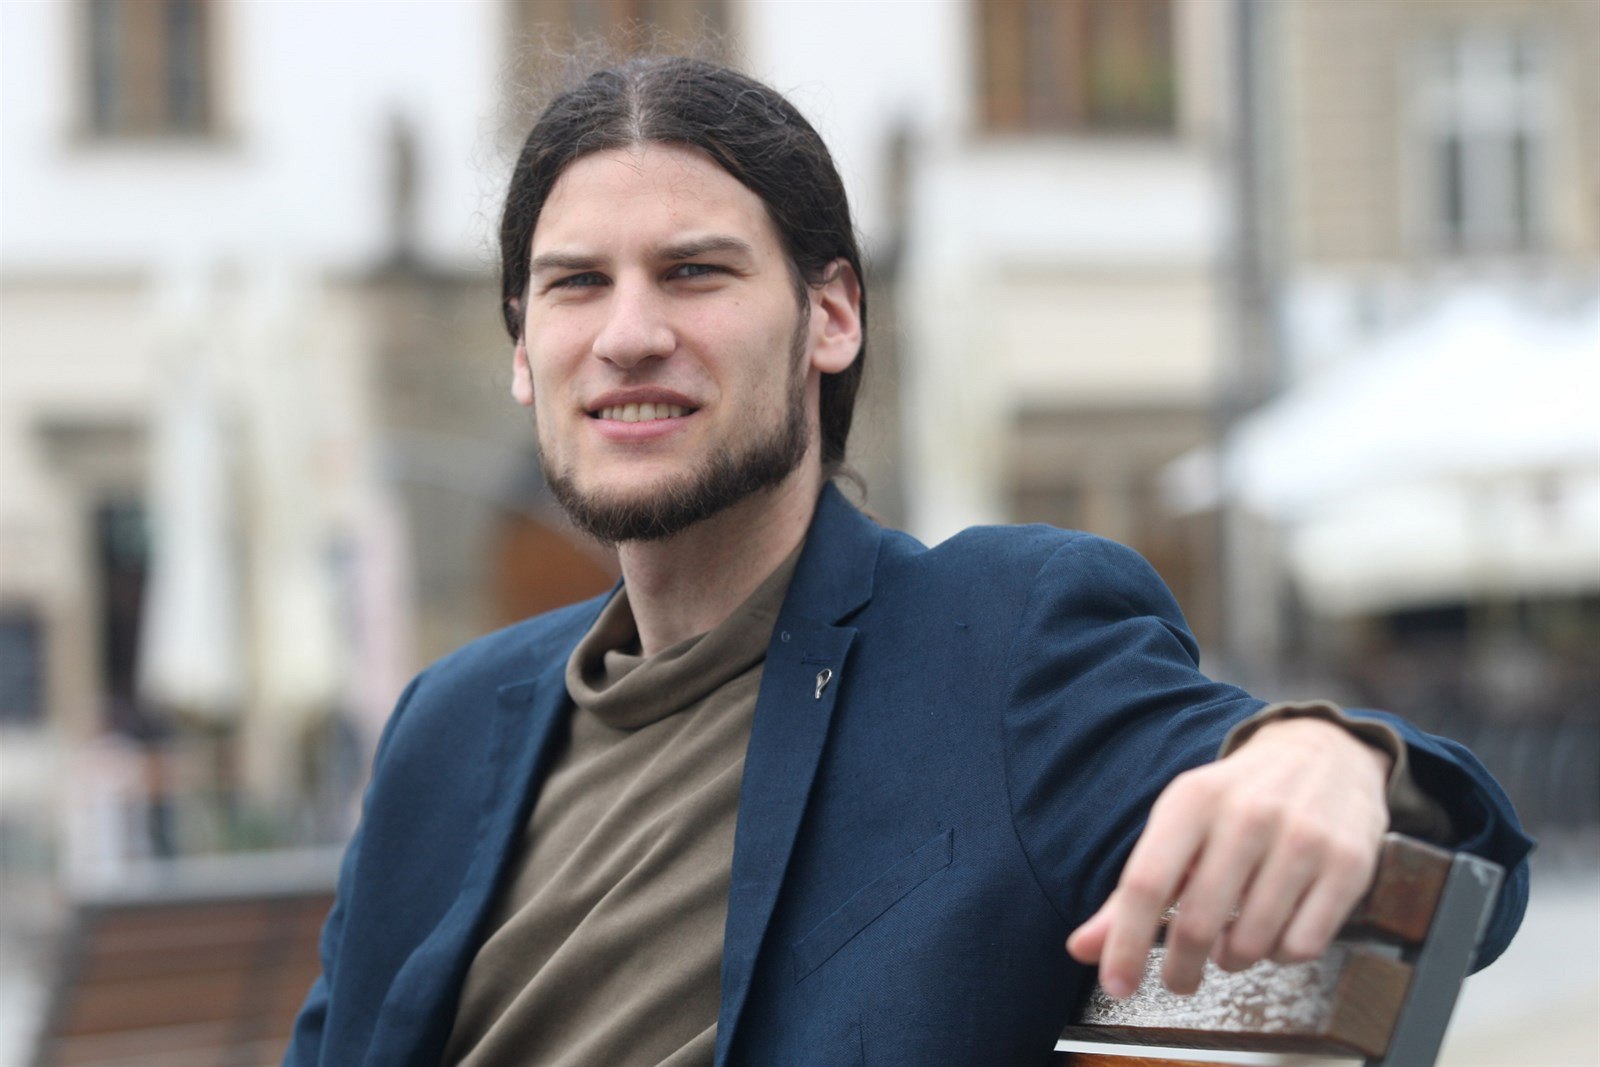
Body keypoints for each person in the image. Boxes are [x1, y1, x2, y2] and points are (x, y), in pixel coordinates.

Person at [284, 56, 1530, 1066]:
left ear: (831, 316)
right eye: (573, 285)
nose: (628, 333)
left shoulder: (993, 641)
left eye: (694, 272)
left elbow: (1450, 864)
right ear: (521, 351)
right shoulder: (446, 723)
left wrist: (1324, 752)